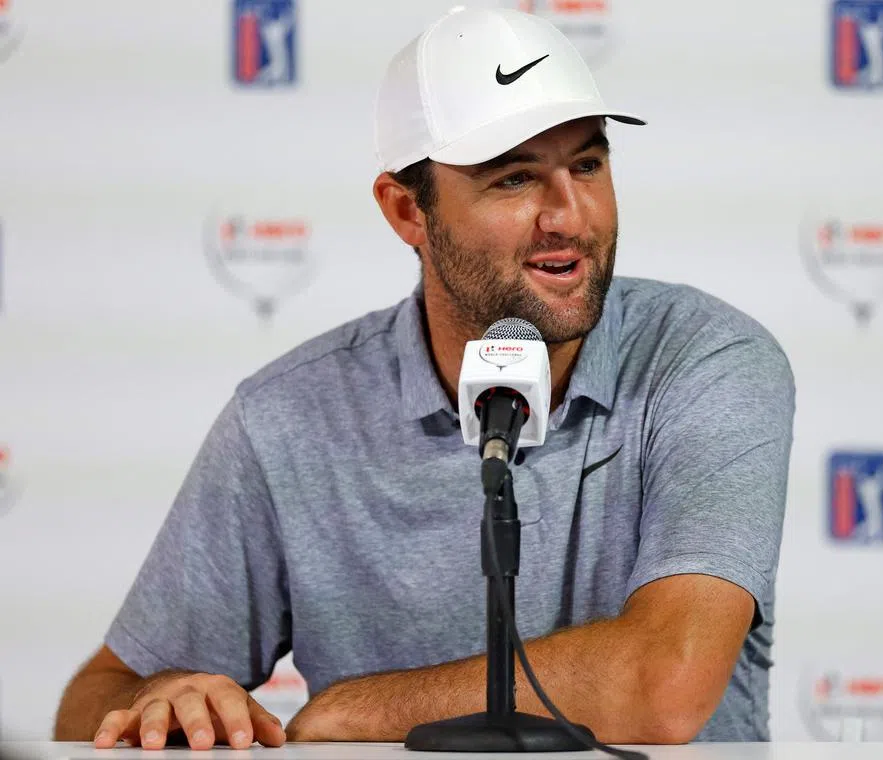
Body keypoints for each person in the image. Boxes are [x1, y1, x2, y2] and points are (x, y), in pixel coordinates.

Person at [52, 6, 795, 750]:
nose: (572, 216)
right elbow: (96, 697)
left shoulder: (706, 361)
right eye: (514, 179)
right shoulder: (287, 415)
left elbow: (664, 686)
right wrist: (160, 698)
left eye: (588, 165)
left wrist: (357, 711)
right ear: (407, 210)